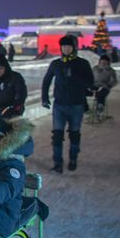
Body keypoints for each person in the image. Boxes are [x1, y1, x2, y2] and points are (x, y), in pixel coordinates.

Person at [41, 34, 94, 172]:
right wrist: (44, 98)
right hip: (59, 105)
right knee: (57, 135)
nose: (66, 49)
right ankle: (58, 163)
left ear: (74, 47)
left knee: (74, 134)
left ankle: (73, 158)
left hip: (77, 105)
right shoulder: (56, 64)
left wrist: (74, 76)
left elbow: (90, 83)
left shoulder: (82, 63)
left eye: (69, 46)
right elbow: (46, 81)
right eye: (63, 46)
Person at [91, 54, 118, 119]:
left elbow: (113, 81)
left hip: (104, 87)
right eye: (102, 61)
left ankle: (99, 109)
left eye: (105, 62)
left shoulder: (110, 71)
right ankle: (85, 107)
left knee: (101, 94)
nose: (103, 63)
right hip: (94, 85)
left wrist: (108, 85)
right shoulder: (95, 68)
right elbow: (90, 76)